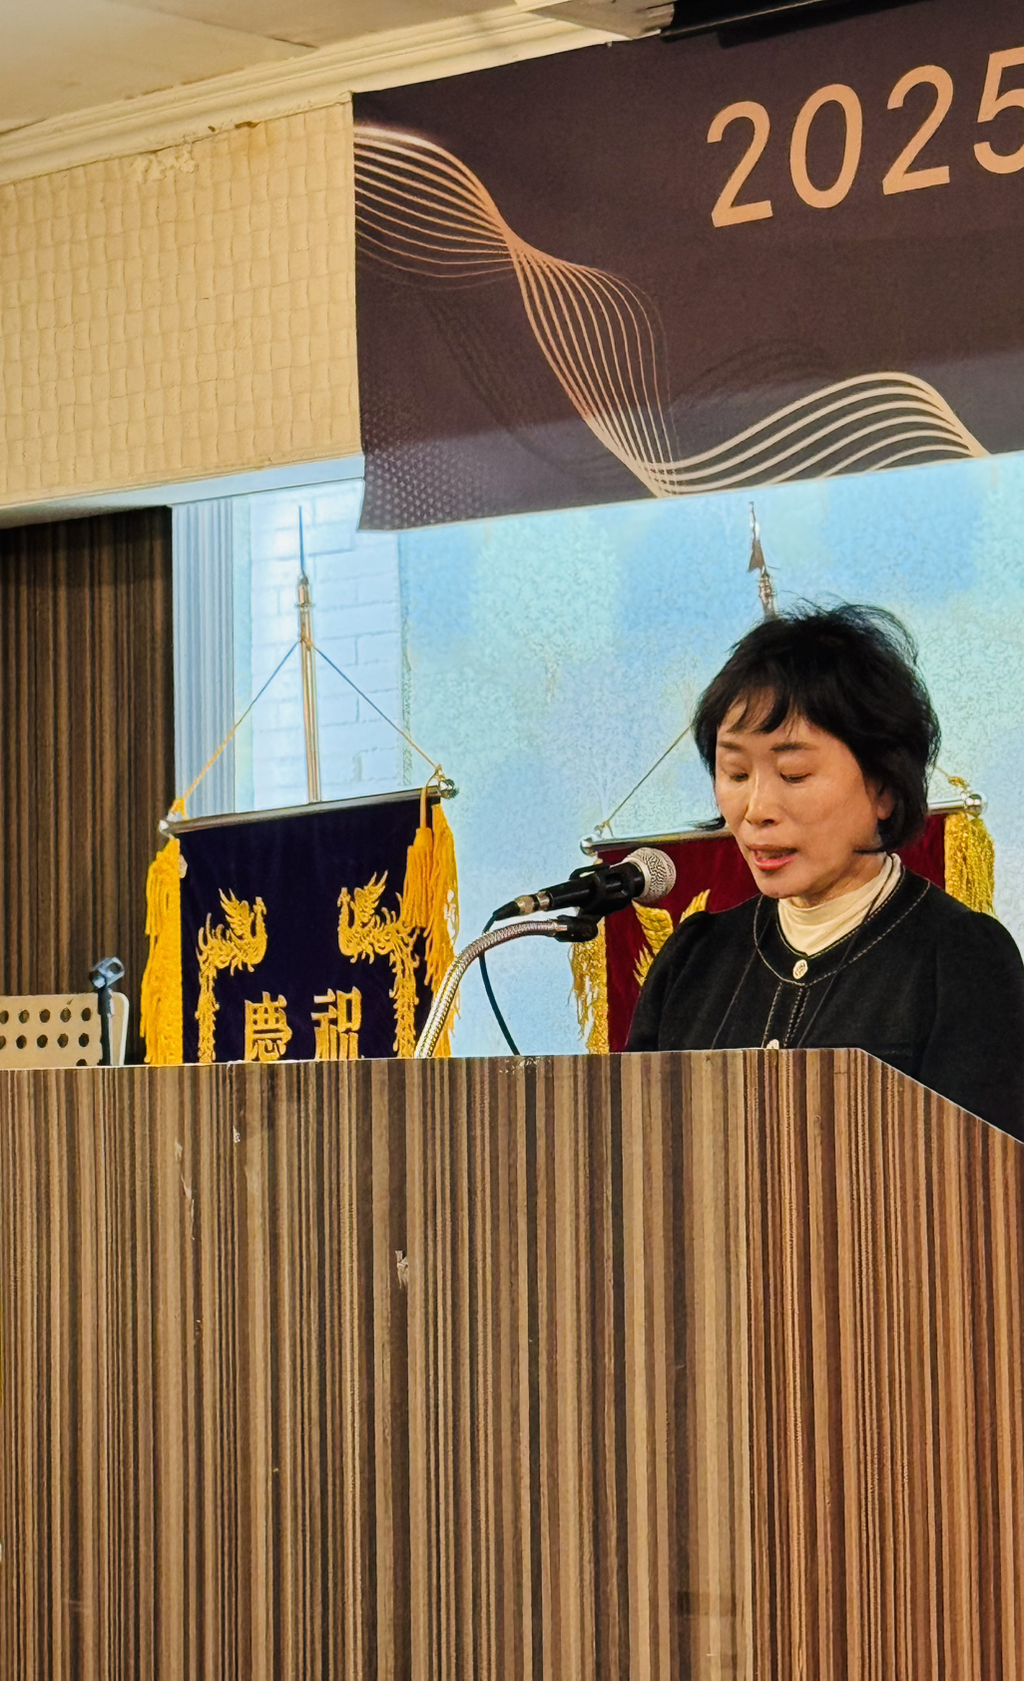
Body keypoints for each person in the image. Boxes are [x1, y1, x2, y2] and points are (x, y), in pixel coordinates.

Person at [627, 604, 1024, 1140]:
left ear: (884, 788)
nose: (757, 809)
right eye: (736, 773)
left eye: (794, 774)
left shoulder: (958, 959)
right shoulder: (693, 960)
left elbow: (986, 1172)